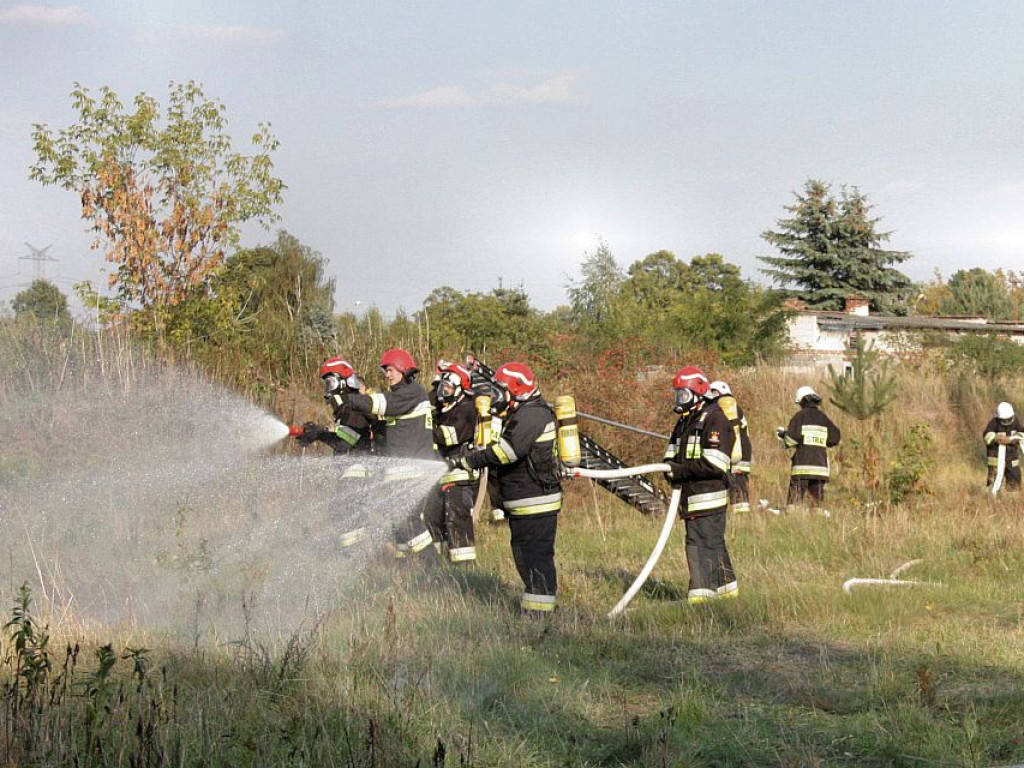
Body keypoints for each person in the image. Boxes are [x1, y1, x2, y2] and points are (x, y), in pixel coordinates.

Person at [458, 362, 561, 616]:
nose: (496, 395)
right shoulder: (521, 413)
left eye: (500, 390)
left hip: (537, 501)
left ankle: (541, 617)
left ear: (516, 389)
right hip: (523, 501)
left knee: (537, 561)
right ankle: (534, 611)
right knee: (526, 560)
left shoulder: (533, 415)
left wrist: (472, 460)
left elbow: (508, 452)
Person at [343, 348, 439, 558]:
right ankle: (411, 565)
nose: (387, 374)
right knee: (401, 519)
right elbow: (383, 426)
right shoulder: (403, 397)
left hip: (412, 469)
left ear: (403, 369)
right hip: (405, 469)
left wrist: (348, 398)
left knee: (406, 519)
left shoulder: (411, 393)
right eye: (385, 371)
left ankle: (431, 563)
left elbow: (379, 404)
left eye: (390, 370)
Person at [663, 366, 738, 604]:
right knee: (713, 543)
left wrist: (680, 471)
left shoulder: (714, 418)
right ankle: (727, 593)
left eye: (683, 395)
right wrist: (669, 468)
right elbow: (670, 454)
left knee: (700, 545)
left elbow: (715, 464)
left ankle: (701, 600)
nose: (679, 400)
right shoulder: (685, 422)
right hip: (692, 497)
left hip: (708, 497)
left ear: (698, 392)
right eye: (677, 395)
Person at [295, 356, 377, 547]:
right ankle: (355, 552)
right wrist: (316, 432)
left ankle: (356, 553)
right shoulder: (347, 408)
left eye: (330, 382)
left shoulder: (356, 406)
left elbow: (345, 443)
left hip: (358, 469)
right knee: (340, 511)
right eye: (326, 383)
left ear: (344, 382)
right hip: (351, 469)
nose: (327, 388)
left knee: (346, 512)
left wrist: (319, 434)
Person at [423, 362, 480, 564]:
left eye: (447, 388)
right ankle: (435, 562)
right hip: (441, 474)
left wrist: (423, 426)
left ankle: (464, 565)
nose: (442, 392)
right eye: (441, 387)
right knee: (431, 517)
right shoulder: (443, 409)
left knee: (456, 519)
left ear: (459, 390)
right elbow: (426, 402)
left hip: (461, 475)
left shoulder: (467, 409)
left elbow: (448, 437)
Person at [776, 385, 841, 512]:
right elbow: (835, 438)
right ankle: (817, 524)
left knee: (794, 503)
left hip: (802, 467)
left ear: (802, 401)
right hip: (820, 468)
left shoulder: (800, 416)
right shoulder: (824, 418)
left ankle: (792, 522)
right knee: (816, 504)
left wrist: (784, 436)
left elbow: (791, 439)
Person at [708, 380, 752, 513]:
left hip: (732, 453)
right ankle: (741, 515)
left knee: (735, 485)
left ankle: (740, 517)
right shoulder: (737, 408)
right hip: (743, 452)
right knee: (739, 485)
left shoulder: (722, 408)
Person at [984, 401, 1023, 491]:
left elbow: (1022, 434)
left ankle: (1013, 500)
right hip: (996, 459)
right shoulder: (994, 423)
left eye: (1008, 419)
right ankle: (992, 501)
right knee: (994, 483)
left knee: (1015, 482)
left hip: (1012, 458)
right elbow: (986, 436)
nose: (1006, 421)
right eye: (1004, 420)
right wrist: (996, 438)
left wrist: (1011, 439)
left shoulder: (1015, 422)